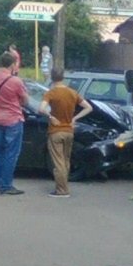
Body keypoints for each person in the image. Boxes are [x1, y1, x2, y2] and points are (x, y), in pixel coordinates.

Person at [39, 67, 92, 197]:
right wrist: (75, 118)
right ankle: (64, 186)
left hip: (56, 131)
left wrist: (51, 117)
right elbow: (88, 107)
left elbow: (41, 109)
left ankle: (62, 190)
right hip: (69, 130)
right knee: (66, 160)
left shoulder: (51, 93)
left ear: (52, 77)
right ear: (63, 77)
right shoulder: (72, 93)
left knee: (58, 162)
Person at [0, 52, 29, 195]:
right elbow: (25, 100)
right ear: (12, 64)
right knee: (11, 153)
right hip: (13, 119)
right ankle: (6, 185)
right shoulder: (15, 81)